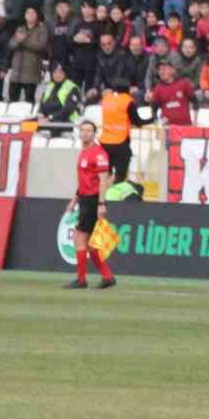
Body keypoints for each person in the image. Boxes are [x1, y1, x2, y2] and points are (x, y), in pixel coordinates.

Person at [65, 120, 115, 291]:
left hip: (93, 200)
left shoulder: (98, 154)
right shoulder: (84, 152)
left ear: (95, 134)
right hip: (85, 199)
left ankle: (81, 280)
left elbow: (103, 181)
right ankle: (107, 276)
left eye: (89, 131)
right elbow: (84, 181)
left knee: (80, 238)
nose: (85, 133)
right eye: (83, 130)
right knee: (89, 244)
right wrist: (74, 201)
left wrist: (101, 203)